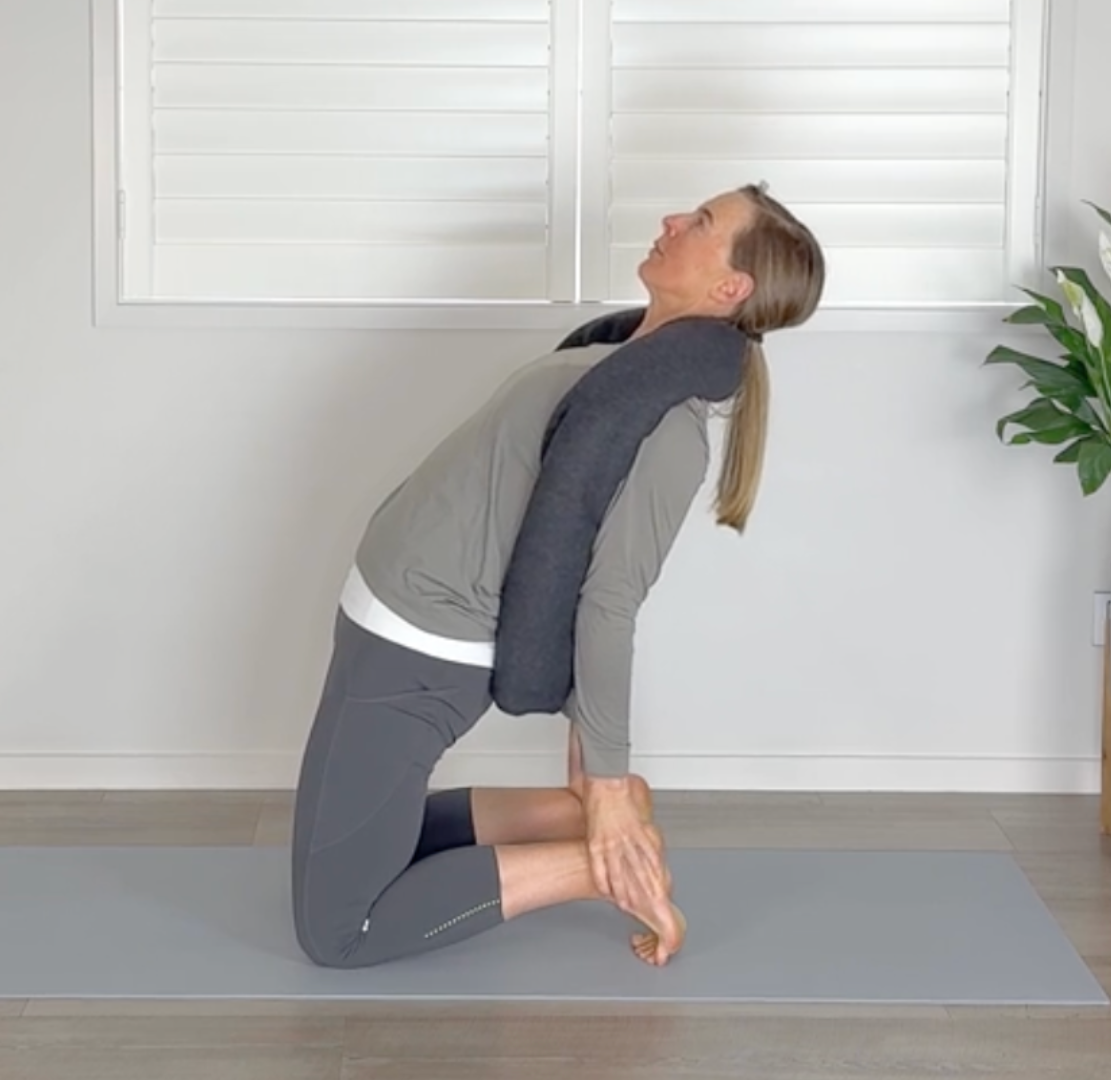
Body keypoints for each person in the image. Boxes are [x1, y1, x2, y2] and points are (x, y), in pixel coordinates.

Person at [289, 183, 826, 970]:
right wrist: (598, 795)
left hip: (423, 653)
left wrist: (607, 778)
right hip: (386, 618)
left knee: (338, 930)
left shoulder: (669, 432)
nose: (672, 218)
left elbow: (608, 604)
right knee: (327, 858)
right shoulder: (621, 359)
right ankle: (573, 818)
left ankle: (598, 863)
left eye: (701, 223)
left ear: (729, 288)